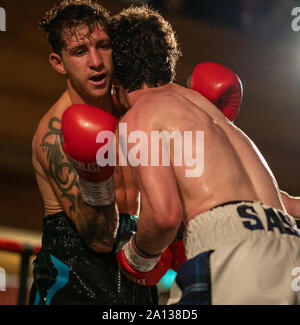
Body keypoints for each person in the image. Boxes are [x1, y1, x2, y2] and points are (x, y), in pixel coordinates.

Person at [110, 6, 300, 304]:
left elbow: (163, 215)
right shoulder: (207, 109)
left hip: (231, 255)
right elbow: (288, 205)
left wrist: (137, 256)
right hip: (289, 247)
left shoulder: (138, 116)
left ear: (115, 83)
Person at [29, 0, 157, 305]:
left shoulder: (132, 112)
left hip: (135, 280)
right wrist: (95, 175)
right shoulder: (54, 133)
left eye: (103, 46)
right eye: (79, 52)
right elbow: (100, 239)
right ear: (58, 62)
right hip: (73, 284)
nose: (96, 61)